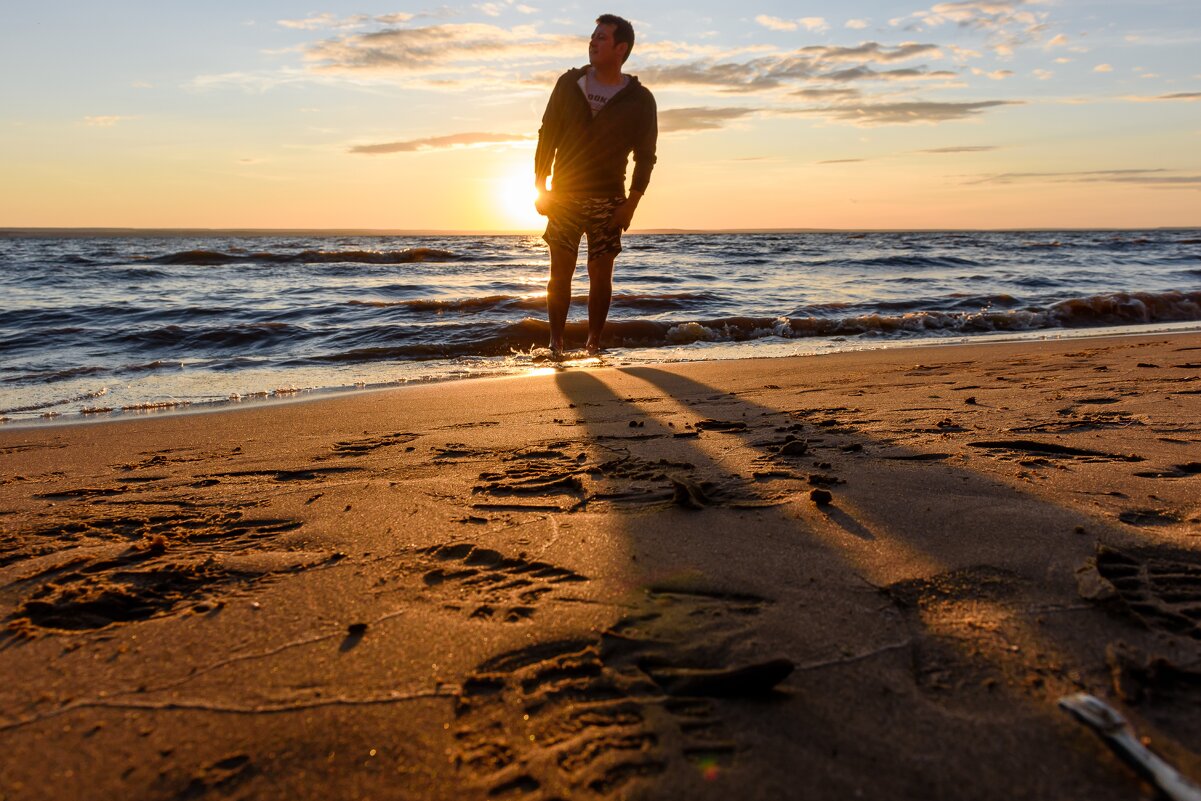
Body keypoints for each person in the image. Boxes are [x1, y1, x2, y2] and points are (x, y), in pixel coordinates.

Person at [534, 13, 658, 356]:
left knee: (600, 275)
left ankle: (593, 344)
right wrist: (539, 184)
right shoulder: (568, 84)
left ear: (621, 48)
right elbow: (548, 135)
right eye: (593, 36)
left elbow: (646, 156)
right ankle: (555, 343)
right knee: (560, 273)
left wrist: (630, 204)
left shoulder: (639, 99)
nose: (593, 41)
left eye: (602, 37)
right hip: (564, 194)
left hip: (608, 198)